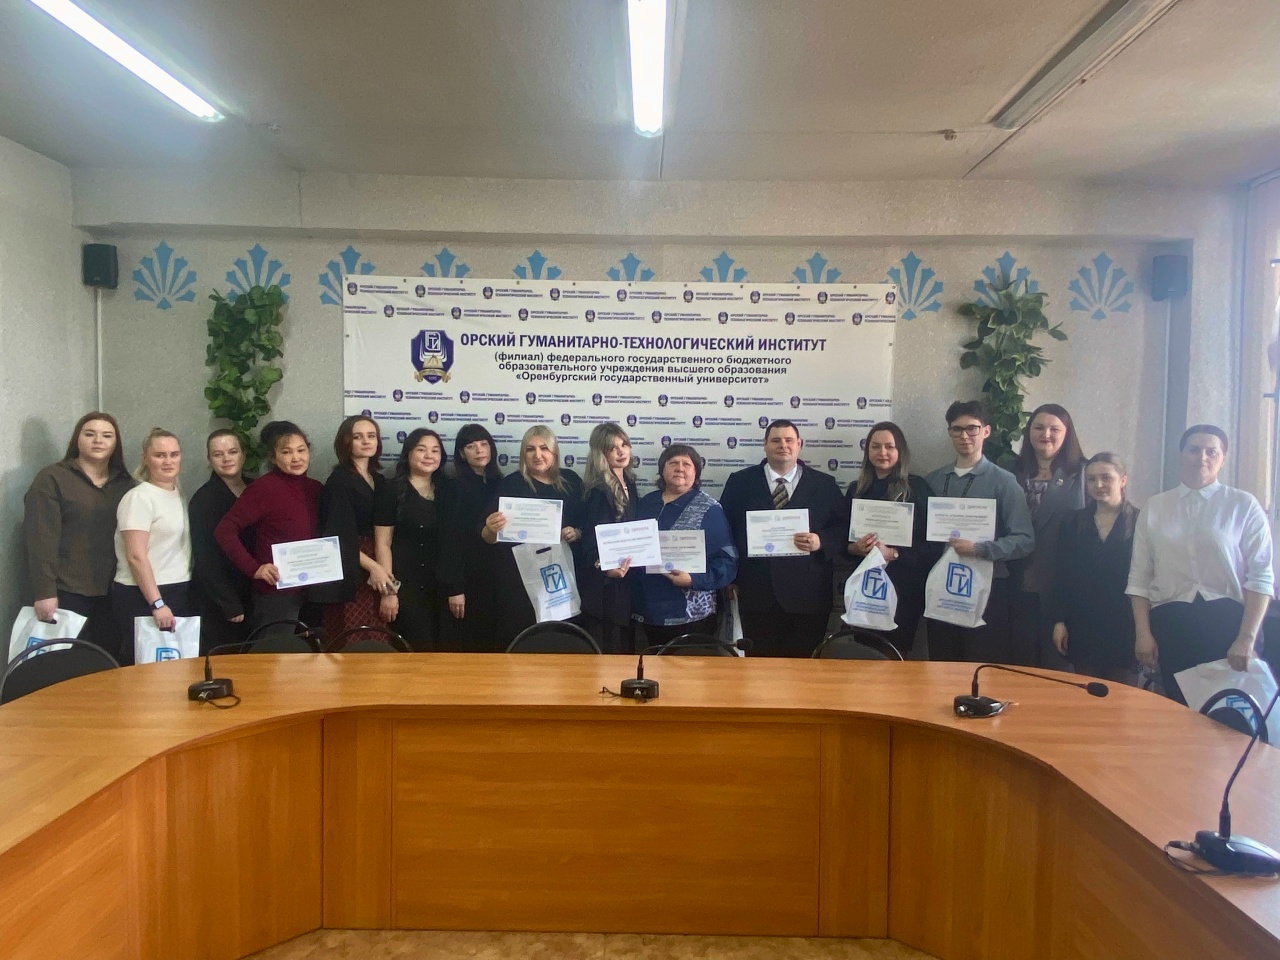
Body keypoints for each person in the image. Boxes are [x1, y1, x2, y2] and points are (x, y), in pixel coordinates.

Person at [1127, 425, 1274, 703]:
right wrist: (1142, 634)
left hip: (1229, 625)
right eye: (1194, 449)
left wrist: (1246, 638)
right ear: (1181, 454)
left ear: (1223, 458)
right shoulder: (1155, 507)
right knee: (1180, 712)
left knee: (1228, 715)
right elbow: (1139, 578)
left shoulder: (1243, 505)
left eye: (1211, 451)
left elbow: (1261, 576)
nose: (1202, 457)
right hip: (1172, 625)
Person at [718, 420, 846, 657]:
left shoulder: (824, 484)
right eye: (776, 440)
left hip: (808, 596)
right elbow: (725, 531)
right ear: (765, 445)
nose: (783, 445)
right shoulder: (740, 482)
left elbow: (842, 529)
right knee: (760, 668)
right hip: (756, 592)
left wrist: (821, 541)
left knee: (802, 668)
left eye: (789, 440)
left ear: (799, 444)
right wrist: (729, 577)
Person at [925, 401, 1035, 663]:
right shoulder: (933, 480)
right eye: (957, 429)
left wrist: (981, 549)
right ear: (949, 432)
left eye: (972, 428)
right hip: (941, 588)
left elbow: (1025, 540)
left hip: (988, 590)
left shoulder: (1004, 482)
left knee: (982, 667)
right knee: (941, 666)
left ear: (986, 431)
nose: (964, 436)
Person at [23, 412, 135, 659]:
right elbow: (41, 539)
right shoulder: (52, 478)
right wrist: (44, 592)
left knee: (106, 664)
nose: (98, 440)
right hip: (66, 592)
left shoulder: (127, 485)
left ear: (115, 443)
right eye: (90, 434)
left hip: (114, 592)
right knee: (66, 665)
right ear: (77, 439)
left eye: (107, 435)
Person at [481, 425, 585, 648]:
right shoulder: (511, 484)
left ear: (554, 452)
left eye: (544, 448)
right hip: (518, 585)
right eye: (530, 449)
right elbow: (487, 537)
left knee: (561, 641)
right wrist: (490, 528)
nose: (538, 455)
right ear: (523, 454)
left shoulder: (572, 482)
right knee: (522, 643)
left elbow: (587, 526)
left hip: (561, 578)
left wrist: (576, 532)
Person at [215, 421, 322, 635]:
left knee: (310, 651)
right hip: (277, 593)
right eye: (286, 452)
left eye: (301, 450)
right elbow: (224, 530)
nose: (296, 458)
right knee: (276, 652)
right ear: (273, 458)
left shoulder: (315, 488)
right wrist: (254, 568)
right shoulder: (264, 488)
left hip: (313, 590)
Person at [625, 444, 737, 646]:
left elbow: (727, 562)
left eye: (687, 464)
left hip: (691, 616)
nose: (680, 468)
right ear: (662, 469)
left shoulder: (709, 509)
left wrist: (693, 579)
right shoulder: (645, 503)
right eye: (673, 463)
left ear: (696, 472)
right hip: (645, 613)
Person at [844, 422, 936, 658]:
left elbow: (933, 546)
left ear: (900, 451)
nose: (882, 452)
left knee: (895, 656)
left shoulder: (917, 488)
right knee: (864, 655)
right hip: (865, 589)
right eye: (875, 447)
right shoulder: (856, 490)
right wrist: (854, 548)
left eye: (889, 446)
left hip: (903, 588)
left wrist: (895, 554)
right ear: (867, 451)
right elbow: (842, 541)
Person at [1046, 453, 1139, 683]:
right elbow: (1061, 575)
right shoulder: (1072, 522)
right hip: (1082, 625)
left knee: (1123, 697)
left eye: (1106, 478)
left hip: (1125, 626)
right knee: (1086, 696)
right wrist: (1059, 621)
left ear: (1123, 480)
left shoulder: (1141, 521)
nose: (1098, 485)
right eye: (1091, 479)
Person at [1010, 403, 1086, 668]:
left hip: (1062, 587)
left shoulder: (1084, 474)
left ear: (1067, 433)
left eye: (1055, 429)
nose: (1046, 434)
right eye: (1039, 427)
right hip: (1015, 584)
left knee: (1058, 671)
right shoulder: (1011, 472)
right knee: (1017, 669)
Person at [111, 429, 194, 665]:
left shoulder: (177, 494)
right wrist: (157, 604)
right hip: (143, 595)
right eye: (160, 455)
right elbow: (135, 556)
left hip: (177, 589)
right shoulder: (139, 498)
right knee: (143, 669)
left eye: (174, 454)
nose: (168, 461)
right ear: (146, 458)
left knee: (175, 669)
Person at [373, 428, 454, 651]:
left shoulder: (448, 490)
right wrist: (389, 592)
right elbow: (382, 544)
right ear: (408, 453)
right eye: (421, 449)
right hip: (406, 587)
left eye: (435, 451)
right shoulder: (391, 490)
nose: (429, 456)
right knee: (416, 651)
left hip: (441, 586)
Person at [312, 416, 393, 638]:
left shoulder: (380, 480)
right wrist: (374, 568)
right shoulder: (339, 481)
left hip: (377, 560)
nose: (366, 441)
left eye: (371, 436)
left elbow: (384, 538)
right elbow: (337, 538)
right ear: (346, 443)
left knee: (378, 636)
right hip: (350, 566)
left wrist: (388, 585)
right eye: (358, 437)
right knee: (352, 637)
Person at [188, 430, 253, 653]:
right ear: (209, 459)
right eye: (218, 454)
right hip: (220, 599)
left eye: (232, 452)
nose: (226, 458)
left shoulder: (256, 488)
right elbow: (205, 557)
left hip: (253, 590)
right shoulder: (203, 499)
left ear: (243, 455)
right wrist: (228, 602)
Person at [579, 423, 640, 654]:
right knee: (609, 651)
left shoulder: (630, 483)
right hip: (605, 588)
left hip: (626, 580)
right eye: (612, 448)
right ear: (600, 453)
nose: (621, 452)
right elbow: (590, 539)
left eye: (624, 445)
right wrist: (603, 567)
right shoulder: (599, 490)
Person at [442, 424, 503, 651]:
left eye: (484, 444)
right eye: (471, 446)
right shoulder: (453, 488)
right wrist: (455, 588)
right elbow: (451, 541)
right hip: (467, 577)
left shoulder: (501, 483)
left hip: (496, 577)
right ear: (461, 453)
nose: (479, 450)